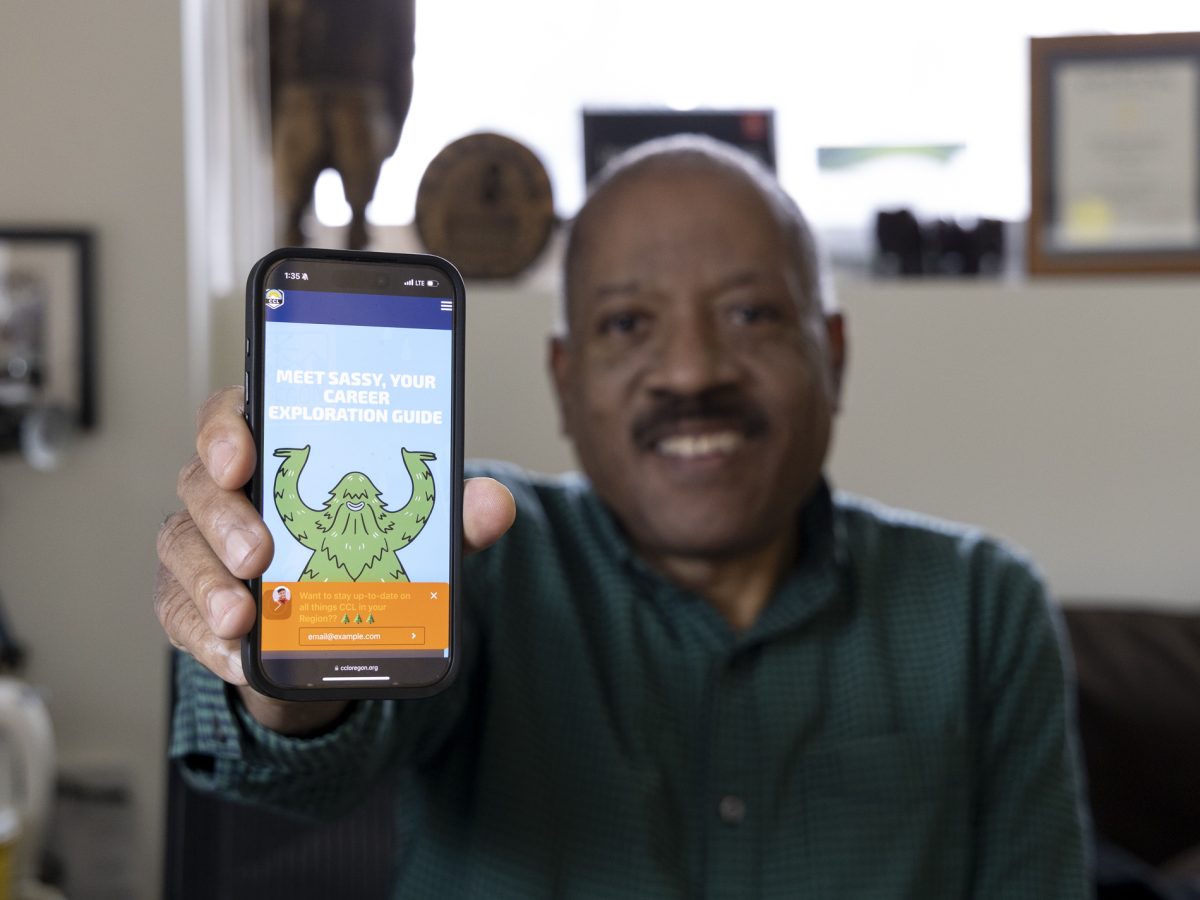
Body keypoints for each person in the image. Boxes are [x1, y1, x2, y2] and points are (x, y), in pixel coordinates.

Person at [155, 135, 1089, 897]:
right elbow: (299, 762)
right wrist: (270, 636)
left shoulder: (982, 610)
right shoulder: (479, 549)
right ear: (566, 384)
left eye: (753, 314)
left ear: (832, 354)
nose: (691, 373)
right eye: (627, 325)